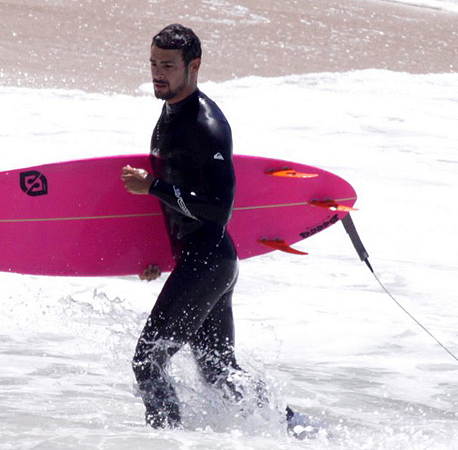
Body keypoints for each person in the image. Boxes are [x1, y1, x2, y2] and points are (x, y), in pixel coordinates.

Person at [121, 24, 300, 431]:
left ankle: (167, 441)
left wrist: (153, 186)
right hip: (205, 260)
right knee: (219, 373)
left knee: (147, 361)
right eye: (153, 63)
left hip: (208, 260)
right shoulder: (170, 111)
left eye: (167, 65)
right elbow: (181, 206)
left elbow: (219, 209)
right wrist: (159, 257)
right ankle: (293, 427)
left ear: (194, 66)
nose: (157, 73)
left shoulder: (207, 126)